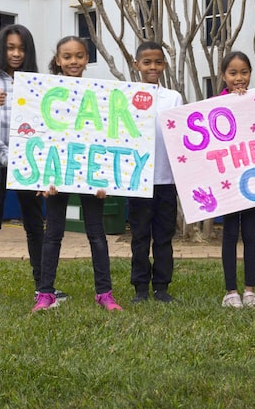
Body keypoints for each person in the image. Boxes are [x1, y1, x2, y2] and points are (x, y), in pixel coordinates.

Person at [32, 36, 122, 312]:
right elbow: (39, 131)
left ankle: (104, 292)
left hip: (92, 173)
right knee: (53, 234)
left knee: (97, 233)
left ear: (87, 59)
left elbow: (108, 135)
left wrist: (105, 178)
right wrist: (40, 178)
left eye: (79, 56)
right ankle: (45, 293)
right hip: (56, 173)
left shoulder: (100, 93)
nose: (74, 61)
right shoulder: (45, 91)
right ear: (58, 60)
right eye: (67, 56)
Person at [0, 24, 51, 305]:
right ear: (1, 49)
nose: (16, 53)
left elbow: (45, 125)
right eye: (10, 48)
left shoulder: (38, 85)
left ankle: (43, 285)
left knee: (34, 223)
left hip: (29, 165)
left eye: (21, 48)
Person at [127, 41, 182, 303]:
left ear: (164, 64)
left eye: (158, 62)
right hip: (137, 180)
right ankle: (140, 287)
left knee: (163, 236)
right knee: (139, 236)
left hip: (166, 179)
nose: (153, 67)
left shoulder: (173, 97)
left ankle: (161, 286)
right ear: (136, 64)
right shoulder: (125, 97)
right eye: (147, 62)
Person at [217, 51, 255, 309]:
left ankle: (250, 291)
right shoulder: (214, 105)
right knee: (230, 234)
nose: (239, 78)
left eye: (244, 72)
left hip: (253, 183)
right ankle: (230, 291)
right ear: (224, 76)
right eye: (233, 73)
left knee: (250, 235)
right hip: (227, 184)